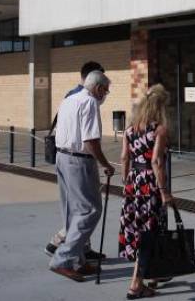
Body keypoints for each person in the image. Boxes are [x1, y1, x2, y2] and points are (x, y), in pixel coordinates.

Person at [48, 70, 116, 282]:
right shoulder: (89, 102)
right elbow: (90, 140)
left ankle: (77, 259)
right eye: (105, 90)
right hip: (79, 160)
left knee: (72, 212)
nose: (105, 95)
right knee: (90, 211)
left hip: (62, 156)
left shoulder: (69, 99)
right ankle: (63, 258)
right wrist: (105, 164)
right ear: (98, 88)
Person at [119, 84, 173, 299]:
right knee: (148, 232)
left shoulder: (130, 129)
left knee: (138, 229)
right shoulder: (159, 130)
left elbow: (124, 158)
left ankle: (155, 274)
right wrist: (164, 191)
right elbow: (156, 161)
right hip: (150, 184)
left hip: (133, 183)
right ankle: (136, 284)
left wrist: (126, 181)